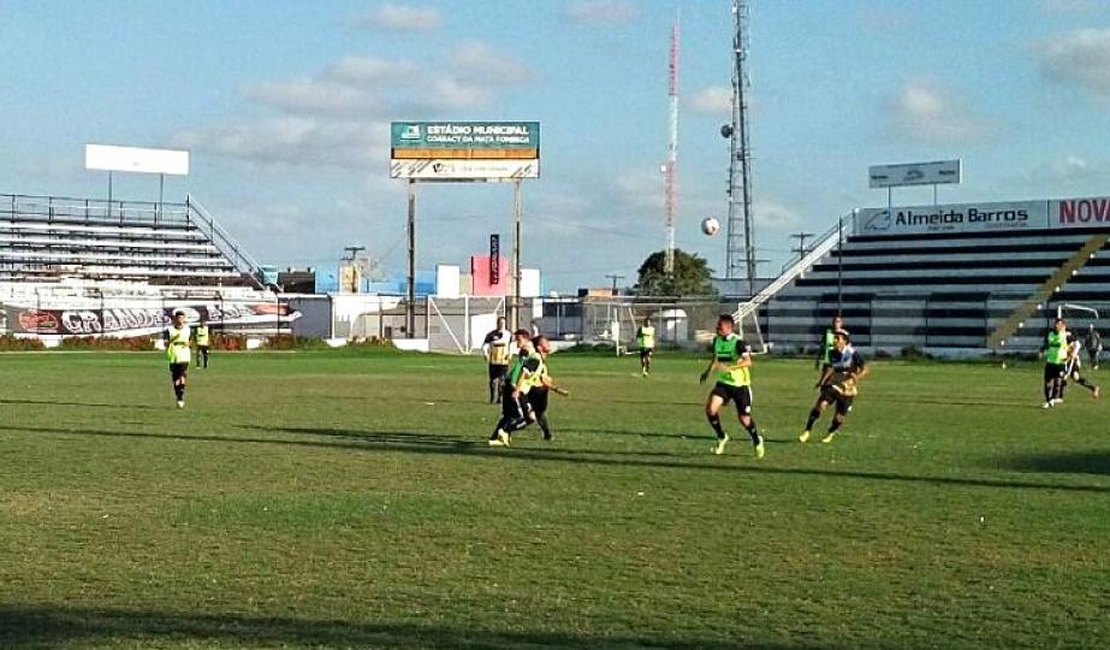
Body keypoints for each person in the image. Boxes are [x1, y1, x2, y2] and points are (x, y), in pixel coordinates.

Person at [699, 314, 764, 458]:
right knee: (710, 410)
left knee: (744, 419)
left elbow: (748, 362)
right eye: (717, 326)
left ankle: (756, 440)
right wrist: (707, 372)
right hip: (723, 384)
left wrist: (731, 368)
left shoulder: (739, 343)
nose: (717, 329)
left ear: (729, 328)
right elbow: (716, 359)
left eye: (720, 327)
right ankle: (722, 436)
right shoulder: (717, 340)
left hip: (740, 386)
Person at [800, 330, 868, 444]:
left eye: (838, 338)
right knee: (821, 404)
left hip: (848, 388)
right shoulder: (831, 352)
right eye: (834, 338)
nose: (835, 340)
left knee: (839, 417)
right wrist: (821, 381)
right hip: (834, 383)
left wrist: (857, 377)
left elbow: (865, 368)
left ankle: (831, 432)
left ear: (845, 341)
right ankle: (807, 430)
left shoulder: (852, 353)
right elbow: (830, 368)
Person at [488, 329, 542, 447]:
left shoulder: (528, 353)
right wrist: (514, 386)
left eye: (518, 339)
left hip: (514, 387)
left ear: (526, 339)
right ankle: (504, 432)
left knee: (510, 416)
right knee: (523, 417)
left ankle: (496, 437)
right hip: (516, 389)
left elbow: (522, 370)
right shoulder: (528, 353)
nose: (516, 342)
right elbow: (522, 371)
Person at [527, 334, 569, 441]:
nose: (549, 344)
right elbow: (543, 380)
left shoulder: (541, 357)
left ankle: (547, 434)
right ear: (540, 347)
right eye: (546, 343)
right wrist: (557, 389)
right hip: (534, 390)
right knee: (530, 416)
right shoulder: (536, 359)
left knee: (539, 414)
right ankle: (505, 430)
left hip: (541, 391)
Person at [163, 310, 192, 409]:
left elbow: (190, 341)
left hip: (185, 355)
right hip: (174, 355)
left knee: (182, 374)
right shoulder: (170, 330)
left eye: (182, 318)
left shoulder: (188, 329)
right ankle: (178, 396)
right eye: (178, 318)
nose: (180, 320)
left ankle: (180, 397)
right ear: (175, 319)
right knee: (175, 378)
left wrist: (188, 344)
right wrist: (173, 339)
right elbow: (165, 344)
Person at [481, 316, 512, 403]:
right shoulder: (491, 335)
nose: (501, 325)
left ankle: (500, 397)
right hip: (494, 360)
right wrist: (485, 354)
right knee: (493, 380)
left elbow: (512, 346)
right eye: (500, 323)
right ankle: (492, 397)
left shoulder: (508, 334)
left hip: (504, 360)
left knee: (502, 379)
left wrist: (510, 354)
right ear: (497, 323)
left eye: (503, 323)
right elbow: (485, 345)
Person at [1042, 318, 1069, 408]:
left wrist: (1069, 356)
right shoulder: (1050, 334)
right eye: (1057, 324)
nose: (1058, 326)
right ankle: (1047, 400)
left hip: (1060, 363)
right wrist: (1041, 351)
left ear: (1063, 326)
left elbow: (1075, 344)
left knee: (1057, 383)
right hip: (1050, 362)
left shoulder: (1066, 335)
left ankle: (1053, 399)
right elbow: (1045, 345)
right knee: (1047, 383)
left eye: (1060, 324)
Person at [1063, 335, 1100, 400]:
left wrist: (1067, 374)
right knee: (1076, 378)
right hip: (1066, 362)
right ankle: (1094, 388)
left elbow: (1072, 357)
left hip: (1074, 362)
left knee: (1074, 377)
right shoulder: (1063, 343)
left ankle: (1094, 388)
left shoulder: (1075, 345)